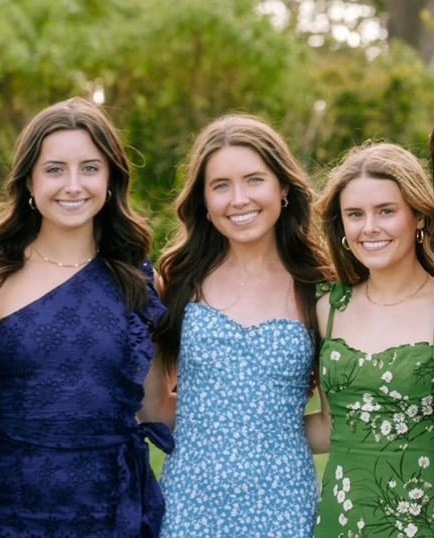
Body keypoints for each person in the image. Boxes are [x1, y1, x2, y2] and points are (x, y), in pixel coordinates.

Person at [0, 97, 172, 537]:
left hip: (112, 510)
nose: (73, 185)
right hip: (6, 510)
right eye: (55, 169)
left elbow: (156, 408)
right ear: (29, 181)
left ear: (111, 178)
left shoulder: (139, 282)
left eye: (90, 168)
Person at [141, 113, 333, 536]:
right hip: (190, 506)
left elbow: (331, 425)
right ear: (204, 202)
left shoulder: (319, 287)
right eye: (221, 186)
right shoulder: (177, 281)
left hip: (285, 508)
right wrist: (216, 433)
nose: (239, 199)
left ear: (283, 188)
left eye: (254, 180)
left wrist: (266, 436)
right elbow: (154, 409)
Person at [309, 142, 434, 537]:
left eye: (386, 211)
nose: (369, 228)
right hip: (341, 519)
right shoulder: (328, 307)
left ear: (418, 216)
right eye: (355, 214)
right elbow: (329, 426)